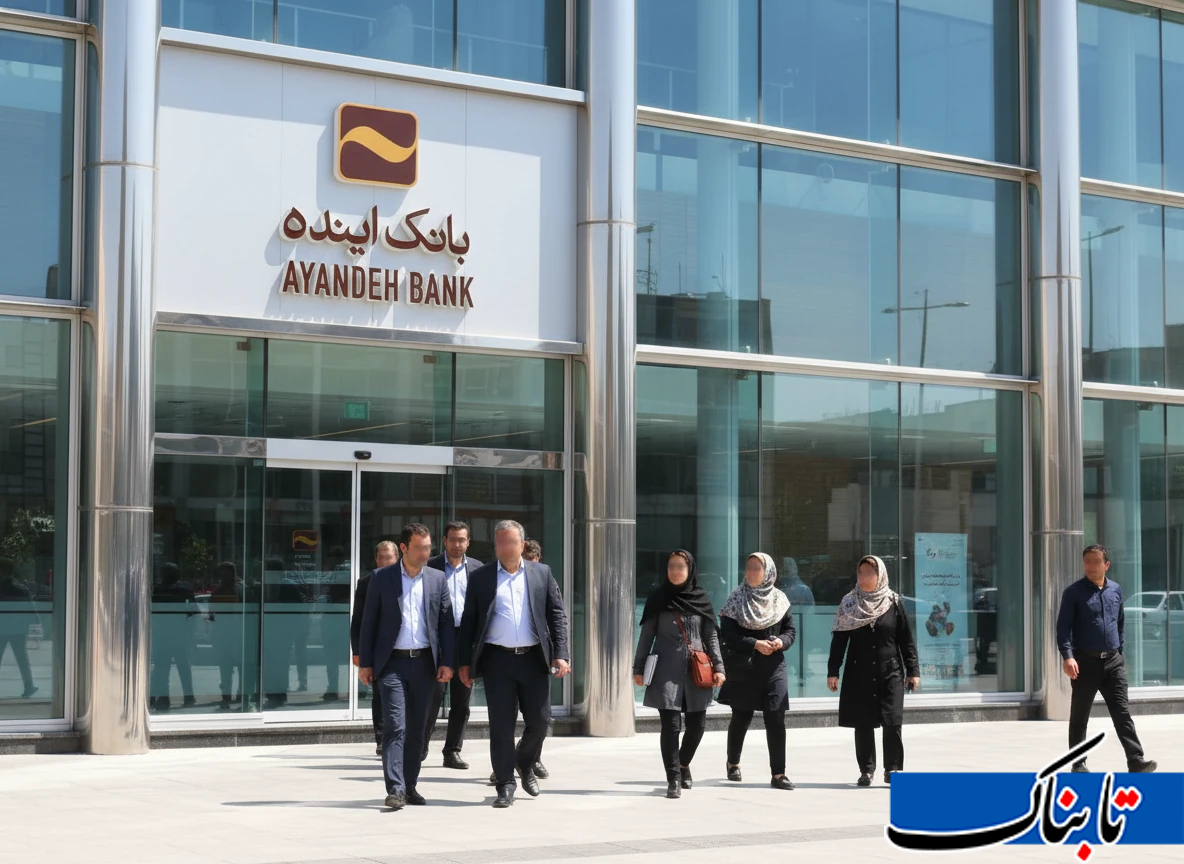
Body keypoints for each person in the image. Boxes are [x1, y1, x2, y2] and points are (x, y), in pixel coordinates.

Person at [458, 520, 570, 809]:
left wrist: (561, 654)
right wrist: (464, 663)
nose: (504, 547)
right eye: (499, 542)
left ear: (522, 544)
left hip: (533, 659)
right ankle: (505, 784)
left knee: (540, 721)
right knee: (501, 726)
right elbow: (469, 622)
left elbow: (557, 615)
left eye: (510, 542)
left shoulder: (541, 573)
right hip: (497, 661)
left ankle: (523, 761)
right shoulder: (481, 577)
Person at [358, 524, 454, 810]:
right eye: (420, 548)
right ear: (404, 548)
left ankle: (410, 785)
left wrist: (448, 661)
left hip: (425, 664)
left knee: (417, 729)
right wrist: (366, 663)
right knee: (395, 726)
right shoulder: (382, 578)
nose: (426, 553)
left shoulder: (437, 579)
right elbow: (368, 622)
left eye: (428, 547)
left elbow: (446, 623)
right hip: (392, 665)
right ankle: (396, 788)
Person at [632, 550, 725, 799]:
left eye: (680, 566)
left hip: (697, 670)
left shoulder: (701, 598)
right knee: (671, 726)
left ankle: (683, 764)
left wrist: (719, 667)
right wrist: (638, 669)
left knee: (698, 726)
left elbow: (711, 636)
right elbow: (646, 637)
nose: (675, 571)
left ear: (689, 569)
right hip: (666, 670)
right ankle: (673, 777)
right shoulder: (658, 598)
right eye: (671, 566)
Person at [1057, 544, 1157, 774]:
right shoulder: (1073, 593)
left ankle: (1136, 760)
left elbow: (1119, 623)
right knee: (1080, 716)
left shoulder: (1116, 590)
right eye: (1087, 562)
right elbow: (1063, 629)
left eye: (1096, 562)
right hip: (1085, 664)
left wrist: (1119, 652)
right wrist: (1068, 657)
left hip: (1113, 663)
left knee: (1122, 713)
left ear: (1106, 565)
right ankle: (1078, 763)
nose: (1091, 566)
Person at [827, 555, 919, 787]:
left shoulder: (893, 601)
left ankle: (893, 769)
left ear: (880, 575)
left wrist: (913, 670)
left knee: (892, 720)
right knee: (863, 722)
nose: (864, 577)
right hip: (859, 672)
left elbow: (906, 639)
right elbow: (839, 640)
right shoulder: (849, 603)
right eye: (861, 572)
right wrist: (833, 671)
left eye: (870, 572)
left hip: (891, 671)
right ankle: (866, 770)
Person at [717, 552, 796, 790]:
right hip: (744, 666)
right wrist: (755, 643)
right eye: (749, 567)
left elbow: (790, 631)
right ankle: (733, 762)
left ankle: (779, 774)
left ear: (768, 572)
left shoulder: (780, 599)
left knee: (776, 717)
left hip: (774, 666)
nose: (751, 572)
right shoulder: (736, 597)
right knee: (741, 716)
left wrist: (781, 642)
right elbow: (727, 634)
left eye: (756, 568)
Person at [424, 522, 482, 769]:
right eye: (453, 539)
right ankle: (419, 748)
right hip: (438, 640)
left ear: (468, 542)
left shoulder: (478, 569)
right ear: (444, 541)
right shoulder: (430, 567)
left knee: (461, 700)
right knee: (432, 698)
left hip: (466, 640)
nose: (457, 544)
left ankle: (452, 751)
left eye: (462, 540)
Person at [352, 541, 398, 754]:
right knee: (379, 695)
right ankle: (381, 739)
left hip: (401, 648)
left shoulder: (405, 579)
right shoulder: (366, 583)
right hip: (377, 650)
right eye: (381, 557)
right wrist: (357, 651)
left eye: (389, 557)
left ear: (397, 558)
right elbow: (358, 620)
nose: (385, 561)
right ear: (376, 559)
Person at [150, 563, 197, 711]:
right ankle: (189, 696)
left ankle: (164, 699)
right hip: (179, 633)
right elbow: (193, 610)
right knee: (183, 667)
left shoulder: (158, 590)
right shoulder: (185, 589)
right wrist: (189, 628)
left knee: (162, 668)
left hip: (162, 634)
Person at [0, 558, 37, 699]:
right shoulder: (22, 589)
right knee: (22, 659)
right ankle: (29, 686)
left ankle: (29, 686)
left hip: (1, 628)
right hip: (18, 630)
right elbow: (31, 610)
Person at [210, 562, 244, 710]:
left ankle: (231, 695)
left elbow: (212, 616)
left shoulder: (236, 590)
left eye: (224, 573)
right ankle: (231, 695)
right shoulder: (240, 590)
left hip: (232, 633)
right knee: (230, 667)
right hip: (229, 633)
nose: (222, 577)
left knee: (230, 667)